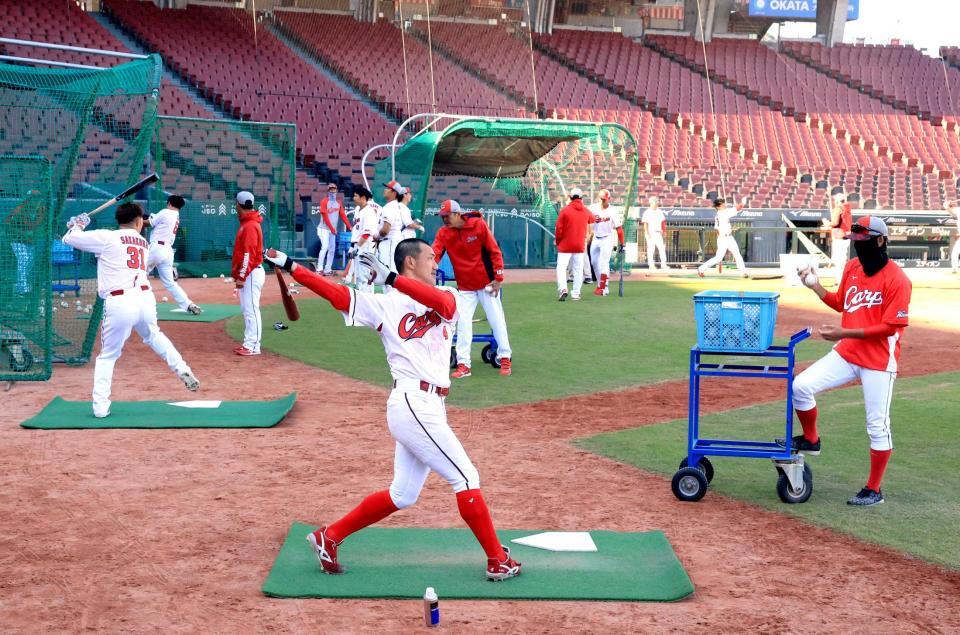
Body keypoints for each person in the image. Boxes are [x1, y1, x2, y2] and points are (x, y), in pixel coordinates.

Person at [263, 240, 522, 581]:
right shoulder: (384, 305)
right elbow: (337, 295)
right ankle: (496, 559)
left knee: (403, 494)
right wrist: (292, 265)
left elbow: (443, 305)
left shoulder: (448, 294)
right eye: (430, 257)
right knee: (465, 477)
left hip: (429, 405)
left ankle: (330, 536)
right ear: (410, 262)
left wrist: (393, 279)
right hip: (413, 403)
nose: (435, 262)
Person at [793, 216, 911, 506]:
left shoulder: (898, 280)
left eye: (864, 240)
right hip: (848, 353)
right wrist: (815, 286)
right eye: (855, 240)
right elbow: (841, 302)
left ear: (881, 241)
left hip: (878, 360)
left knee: (877, 425)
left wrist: (844, 331)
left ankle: (874, 489)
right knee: (800, 387)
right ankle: (811, 439)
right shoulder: (852, 268)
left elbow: (890, 328)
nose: (859, 245)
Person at [62, 203, 199, 418]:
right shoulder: (143, 242)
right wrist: (77, 227)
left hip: (119, 301)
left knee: (108, 356)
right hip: (145, 298)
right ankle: (182, 368)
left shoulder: (107, 237)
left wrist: (77, 225)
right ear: (137, 222)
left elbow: (69, 239)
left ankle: (100, 408)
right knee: (154, 335)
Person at [432, 199, 513, 378]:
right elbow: (435, 253)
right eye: (442, 217)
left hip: (487, 284)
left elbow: (494, 251)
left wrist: (498, 278)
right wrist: (430, 268)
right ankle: (463, 364)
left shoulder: (478, 225)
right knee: (463, 324)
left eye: (446, 216)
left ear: (457, 214)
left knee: (496, 319)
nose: (444, 220)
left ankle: (505, 357)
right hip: (465, 285)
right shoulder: (444, 233)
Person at [143, 195, 201, 315]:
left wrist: (137, 219)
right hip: (168, 251)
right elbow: (156, 220)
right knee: (170, 283)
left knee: (139, 275)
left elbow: (148, 223)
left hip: (157, 248)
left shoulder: (166, 212)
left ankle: (144, 304)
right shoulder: (176, 215)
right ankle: (189, 304)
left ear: (169, 203)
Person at [232, 191, 264, 356]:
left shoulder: (250, 225)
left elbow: (248, 254)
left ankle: (253, 345)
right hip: (251, 272)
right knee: (248, 309)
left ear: (238, 204)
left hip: (251, 272)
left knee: (251, 309)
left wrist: (242, 276)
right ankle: (249, 343)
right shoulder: (248, 222)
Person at [555, 187, 592, 301]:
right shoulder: (585, 210)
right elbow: (592, 220)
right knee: (578, 269)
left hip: (565, 244)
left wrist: (558, 241)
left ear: (570, 197)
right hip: (579, 245)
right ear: (581, 198)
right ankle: (576, 293)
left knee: (561, 268)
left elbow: (559, 229)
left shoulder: (565, 210)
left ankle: (563, 289)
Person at [697, 197, 748, 278]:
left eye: (723, 203)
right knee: (718, 258)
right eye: (722, 204)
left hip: (728, 238)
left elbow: (717, 229)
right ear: (718, 206)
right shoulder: (722, 213)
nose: (724, 204)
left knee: (737, 254)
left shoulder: (720, 214)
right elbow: (738, 208)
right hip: (723, 238)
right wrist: (743, 203)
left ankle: (743, 272)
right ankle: (701, 269)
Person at [588, 189, 625, 296]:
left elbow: (619, 228)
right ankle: (601, 285)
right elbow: (585, 220)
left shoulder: (613, 210)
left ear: (609, 199)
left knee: (604, 263)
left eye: (604, 199)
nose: (602, 201)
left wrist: (622, 243)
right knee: (594, 262)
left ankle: (604, 287)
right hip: (596, 237)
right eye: (600, 199)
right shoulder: (592, 208)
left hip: (607, 238)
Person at [345, 186, 380, 293]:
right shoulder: (359, 210)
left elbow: (367, 233)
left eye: (356, 196)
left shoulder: (369, 211)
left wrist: (357, 247)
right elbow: (356, 232)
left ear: (363, 197)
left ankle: (369, 300)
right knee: (359, 276)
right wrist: (352, 247)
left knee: (365, 276)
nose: (354, 198)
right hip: (358, 244)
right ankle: (363, 300)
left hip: (366, 246)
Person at [317, 183, 350, 276]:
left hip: (332, 230)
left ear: (336, 191)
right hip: (323, 229)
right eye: (330, 190)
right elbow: (325, 217)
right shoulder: (324, 201)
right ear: (328, 191)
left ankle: (327, 269)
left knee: (332, 249)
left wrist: (349, 226)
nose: (332, 191)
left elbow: (343, 215)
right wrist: (332, 229)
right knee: (325, 247)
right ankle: (319, 268)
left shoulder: (338, 202)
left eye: (334, 190)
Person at [378, 180, 405, 273]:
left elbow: (385, 230)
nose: (385, 190)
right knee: (391, 272)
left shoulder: (389, 207)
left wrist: (376, 236)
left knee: (388, 273)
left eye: (388, 188)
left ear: (394, 192)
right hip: (394, 241)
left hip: (389, 242)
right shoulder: (396, 206)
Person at [825, 192, 853, 273]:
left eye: (835, 200)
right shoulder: (847, 208)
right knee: (843, 260)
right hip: (846, 237)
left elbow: (835, 223)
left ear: (838, 201)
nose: (834, 202)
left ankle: (840, 280)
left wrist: (827, 223)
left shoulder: (838, 208)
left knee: (839, 261)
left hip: (839, 238)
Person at [641, 195, 668, 271]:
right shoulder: (647, 212)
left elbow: (663, 222)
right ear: (651, 203)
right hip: (650, 232)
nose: (657, 202)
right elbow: (645, 223)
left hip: (658, 232)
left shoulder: (659, 211)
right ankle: (651, 265)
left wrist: (664, 231)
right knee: (651, 249)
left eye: (657, 201)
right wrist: (646, 233)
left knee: (662, 248)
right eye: (656, 201)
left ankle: (664, 265)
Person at [944, 200, 960, 274]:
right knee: (955, 252)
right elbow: (946, 207)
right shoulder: (958, 210)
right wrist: (948, 203)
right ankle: (954, 268)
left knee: (955, 252)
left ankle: (955, 268)